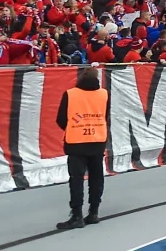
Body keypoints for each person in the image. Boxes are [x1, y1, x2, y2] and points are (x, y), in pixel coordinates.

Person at [55, 66, 110, 230]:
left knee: (77, 179)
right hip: (98, 139)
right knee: (96, 177)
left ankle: (77, 215)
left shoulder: (71, 94)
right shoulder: (104, 94)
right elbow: (105, 115)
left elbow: (60, 119)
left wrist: (73, 127)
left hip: (77, 141)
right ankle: (94, 212)